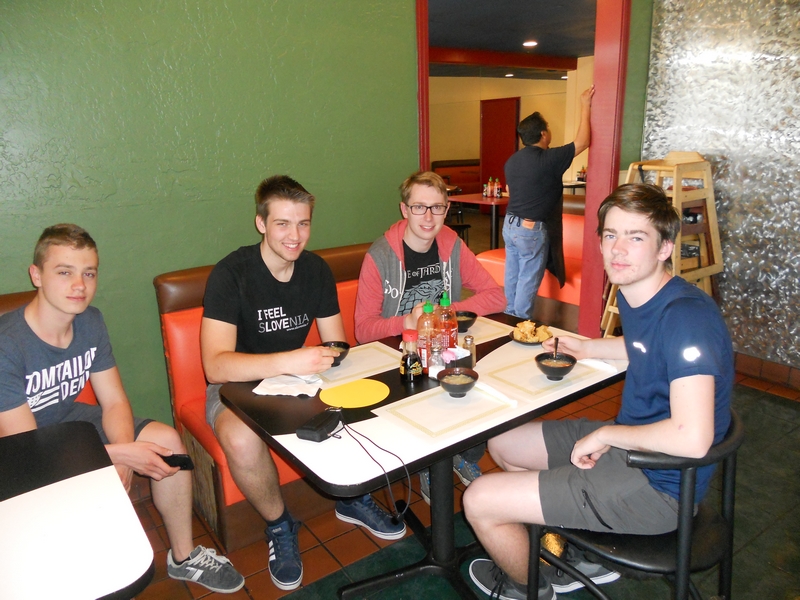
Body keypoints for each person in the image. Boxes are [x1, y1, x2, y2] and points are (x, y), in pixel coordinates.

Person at [463, 183, 734, 600]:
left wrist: (607, 434)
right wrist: (588, 348)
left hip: (660, 488)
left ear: (665, 247)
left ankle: (531, 588)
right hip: (634, 448)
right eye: (611, 235)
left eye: (636, 237)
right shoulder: (641, 294)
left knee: (479, 499)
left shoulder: (686, 318)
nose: (618, 250)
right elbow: (646, 345)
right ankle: (578, 548)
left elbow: (693, 438)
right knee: (503, 443)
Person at [0, 224, 245, 594]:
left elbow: (114, 400)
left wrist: (123, 454)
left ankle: (183, 557)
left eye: (89, 273)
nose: (79, 285)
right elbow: (28, 446)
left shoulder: (90, 321)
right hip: (17, 451)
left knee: (167, 443)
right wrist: (118, 454)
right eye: (64, 272)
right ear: (37, 275)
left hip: (70, 424)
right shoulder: (7, 344)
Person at [200, 175, 405, 592]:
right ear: (261, 223)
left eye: (303, 223)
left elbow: (337, 343)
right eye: (282, 223)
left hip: (299, 379)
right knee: (239, 439)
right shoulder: (231, 273)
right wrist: (289, 360)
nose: (295, 235)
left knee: (360, 393)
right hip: (236, 388)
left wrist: (330, 360)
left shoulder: (315, 270)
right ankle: (279, 524)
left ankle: (352, 498)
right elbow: (215, 367)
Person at [354, 170, 506, 502]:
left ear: (447, 209)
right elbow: (363, 330)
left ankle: (460, 456)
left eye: (436, 208)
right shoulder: (380, 256)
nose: (428, 217)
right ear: (404, 209)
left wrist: (444, 313)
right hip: (400, 356)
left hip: (443, 349)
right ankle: (428, 464)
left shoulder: (451, 244)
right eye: (419, 207)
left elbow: (496, 297)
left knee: (485, 385)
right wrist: (406, 321)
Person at [502, 86, 594, 319]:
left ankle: (508, 317)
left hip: (509, 225)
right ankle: (519, 322)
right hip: (530, 229)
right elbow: (583, 142)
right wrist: (585, 105)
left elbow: (510, 190)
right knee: (527, 277)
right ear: (543, 134)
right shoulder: (550, 158)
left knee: (512, 274)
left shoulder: (512, 161)